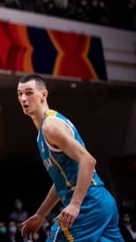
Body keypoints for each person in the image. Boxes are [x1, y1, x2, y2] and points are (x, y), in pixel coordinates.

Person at [16, 74, 122, 242]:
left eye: (29, 93)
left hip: (88, 203)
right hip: (102, 201)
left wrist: (75, 204)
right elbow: (61, 181)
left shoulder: (51, 126)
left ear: (44, 95)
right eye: (20, 94)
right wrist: (41, 214)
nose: (23, 98)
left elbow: (88, 160)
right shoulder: (43, 132)